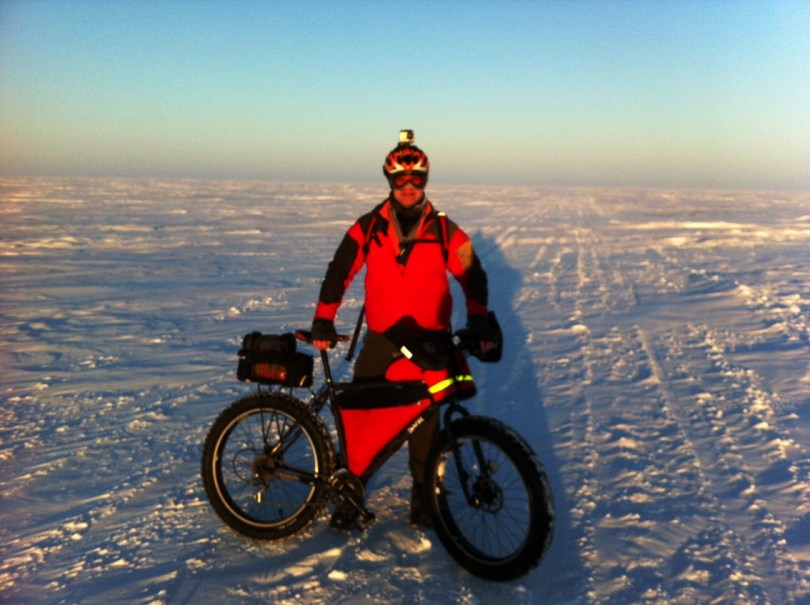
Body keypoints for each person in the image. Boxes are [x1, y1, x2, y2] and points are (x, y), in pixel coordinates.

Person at [311, 130, 501, 530]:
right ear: (390, 181)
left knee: (426, 422)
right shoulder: (368, 226)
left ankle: (423, 494)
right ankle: (352, 491)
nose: (409, 187)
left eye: (416, 179)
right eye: (401, 180)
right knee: (363, 418)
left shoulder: (445, 230)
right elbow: (340, 270)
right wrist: (324, 317)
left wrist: (479, 316)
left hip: (430, 342)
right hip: (382, 339)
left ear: (425, 180)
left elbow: (472, 272)